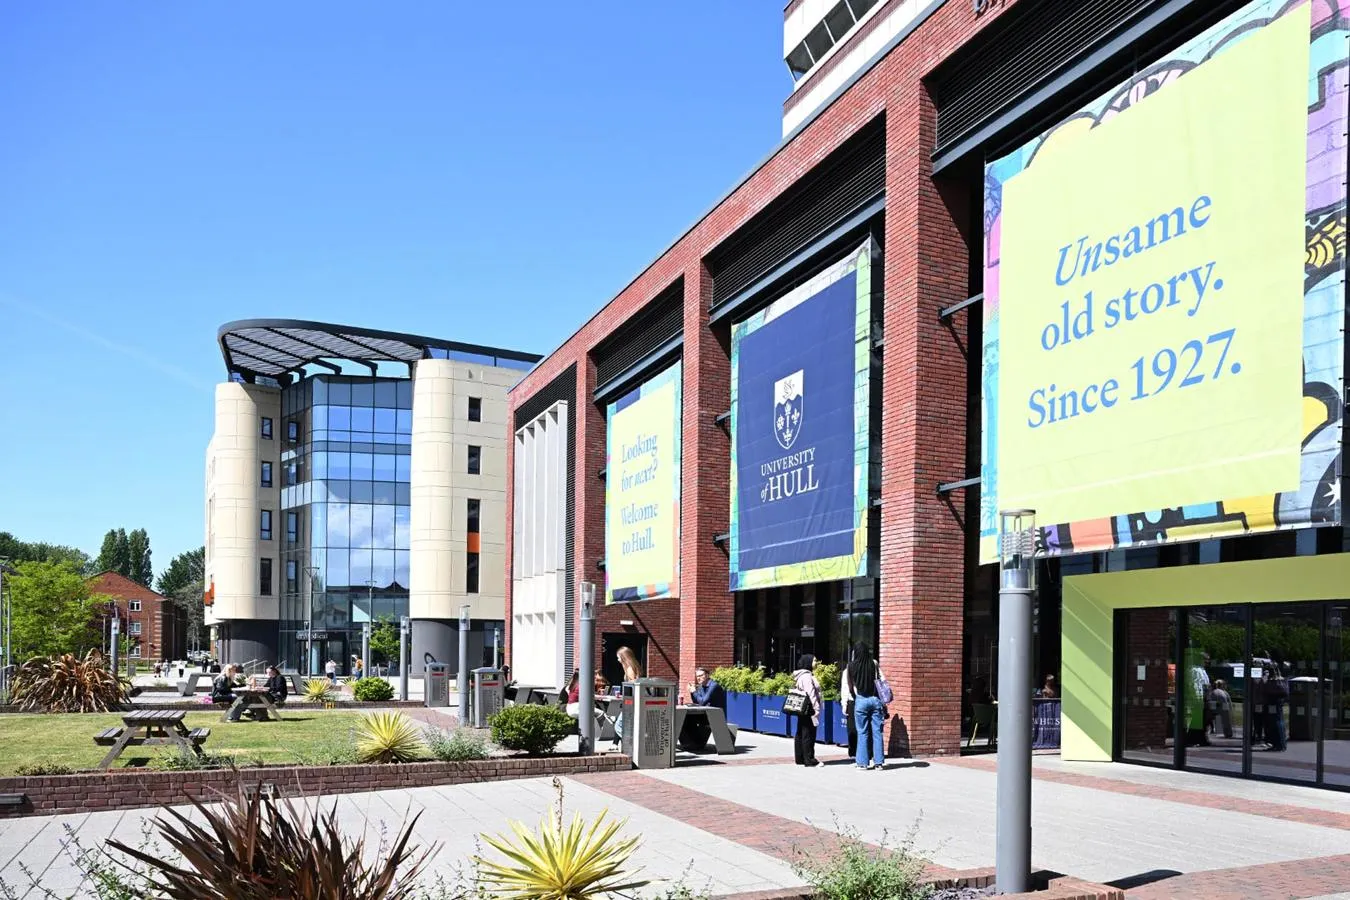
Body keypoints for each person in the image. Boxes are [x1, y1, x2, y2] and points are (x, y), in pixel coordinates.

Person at [848, 647, 887, 770]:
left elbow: (850, 685)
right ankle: (879, 763)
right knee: (877, 732)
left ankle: (862, 763)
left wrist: (856, 697)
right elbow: (883, 680)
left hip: (861, 700)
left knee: (862, 732)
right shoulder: (874, 663)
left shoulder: (851, 666)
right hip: (875, 700)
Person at [791, 654, 824, 767]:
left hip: (802, 707)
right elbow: (811, 693)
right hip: (809, 708)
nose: (816, 663)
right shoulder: (807, 676)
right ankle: (809, 759)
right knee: (808, 733)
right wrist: (816, 708)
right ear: (808, 662)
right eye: (814, 661)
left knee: (801, 732)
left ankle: (800, 757)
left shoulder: (801, 675)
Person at [840, 657, 858, 758]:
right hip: (869, 699)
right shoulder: (873, 665)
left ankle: (853, 751)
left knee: (852, 727)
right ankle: (868, 752)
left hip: (853, 701)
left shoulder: (848, 670)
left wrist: (844, 704)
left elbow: (845, 688)